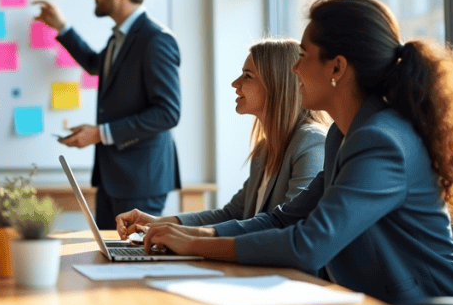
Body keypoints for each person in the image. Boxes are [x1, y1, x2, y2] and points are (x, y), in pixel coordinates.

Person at [137, 0, 453, 305]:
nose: (294, 69)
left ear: (337, 67)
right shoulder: (343, 135)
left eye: (302, 55)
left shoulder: (382, 142)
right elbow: (286, 217)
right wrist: (191, 232)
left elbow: (307, 245)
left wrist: (195, 245)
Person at [116, 39, 329, 233]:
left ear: (276, 84)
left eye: (248, 76)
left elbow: (291, 225)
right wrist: (155, 223)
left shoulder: (310, 143)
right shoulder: (265, 149)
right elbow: (230, 214)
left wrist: (191, 238)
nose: (235, 83)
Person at [33, 0, 180, 230]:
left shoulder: (155, 40)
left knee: (132, 264)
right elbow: (94, 64)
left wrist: (100, 133)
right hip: (113, 178)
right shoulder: (119, 38)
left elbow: (168, 113)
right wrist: (62, 27)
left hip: (140, 179)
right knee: (109, 259)